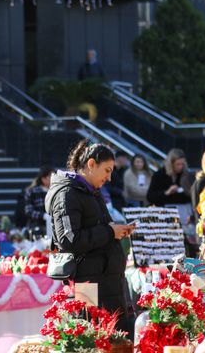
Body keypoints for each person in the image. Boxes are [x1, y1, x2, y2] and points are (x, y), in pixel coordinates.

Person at [46, 140, 135, 333]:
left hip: (107, 281)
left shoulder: (90, 191)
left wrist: (115, 230)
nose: (110, 178)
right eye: (107, 170)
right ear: (91, 164)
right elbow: (69, 239)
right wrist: (110, 231)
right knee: (91, 337)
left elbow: (98, 228)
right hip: (86, 283)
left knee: (114, 340)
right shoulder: (67, 193)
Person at [21, 168, 53, 235]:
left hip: (54, 227)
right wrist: (43, 215)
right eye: (50, 176)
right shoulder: (32, 191)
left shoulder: (55, 191)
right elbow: (28, 211)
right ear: (43, 178)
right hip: (37, 228)